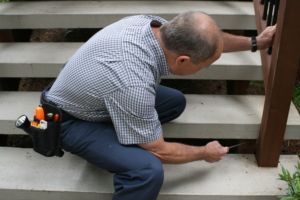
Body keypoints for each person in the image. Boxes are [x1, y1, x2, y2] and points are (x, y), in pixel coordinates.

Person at [45, 11, 276, 200]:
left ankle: (125, 135)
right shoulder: (132, 83)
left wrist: (256, 42)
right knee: (147, 170)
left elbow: (213, 40)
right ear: (182, 60)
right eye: (205, 66)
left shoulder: (154, 26)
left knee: (174, 101)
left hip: (95, 91)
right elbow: (159, 150)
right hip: (68, 119)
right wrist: (204, 152)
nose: (205, 69)